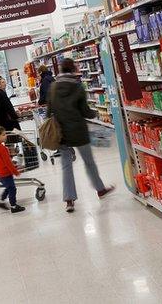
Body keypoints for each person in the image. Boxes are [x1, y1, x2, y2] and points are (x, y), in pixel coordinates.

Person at [47, 58, 114, 213]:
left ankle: (69, 200)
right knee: (89, 162)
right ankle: (100, 189)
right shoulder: (77, 87)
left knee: (66, 166)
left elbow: (48, 111)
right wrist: (95, 113)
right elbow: (85, 111)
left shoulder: (53, 87)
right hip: (78, 130)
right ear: (73, 69)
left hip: (61, 132)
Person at [0, 126, 25, 213]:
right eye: (3, 135)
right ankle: (13, 206)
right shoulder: (2, 148)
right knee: (12, 188)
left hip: (0, 172)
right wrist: (16, 172)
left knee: (8, 187)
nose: (6, 136)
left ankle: (1, 201)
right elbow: (8, 163)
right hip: (6, 173)